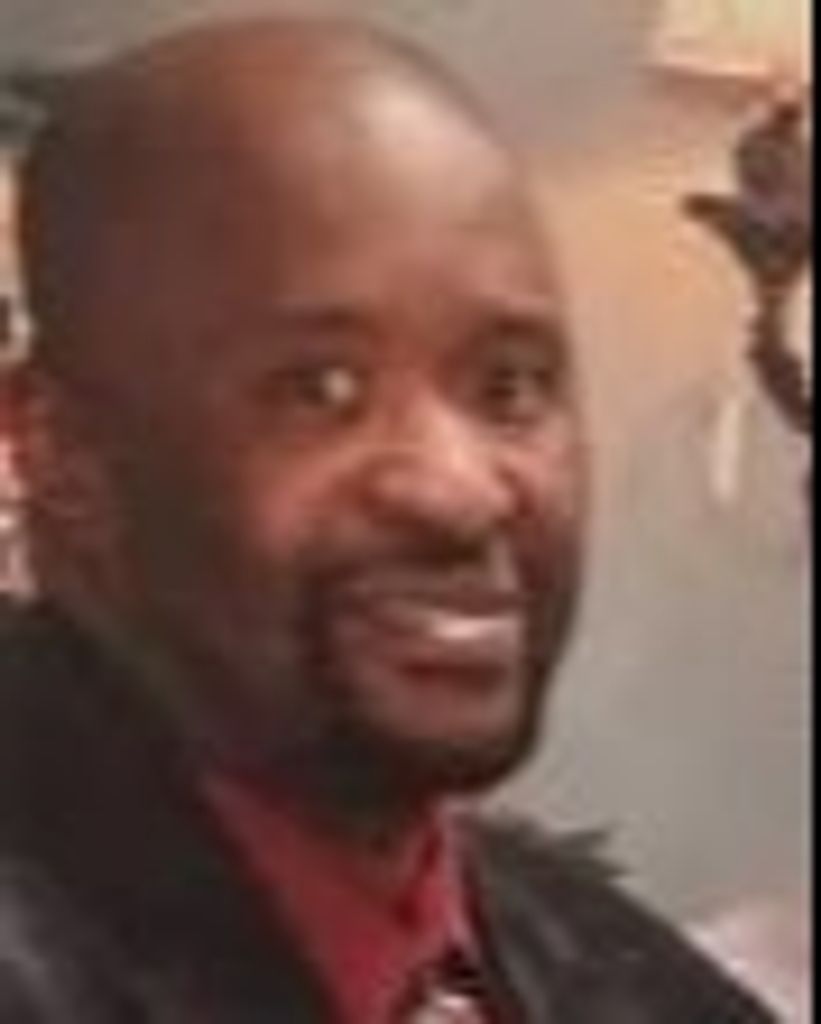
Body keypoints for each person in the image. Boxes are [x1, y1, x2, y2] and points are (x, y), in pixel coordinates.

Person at [0, 17, 776, 1022]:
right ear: (60, 449)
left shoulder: (610, 966)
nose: (459, 492)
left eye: (508, 387)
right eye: (320, 390)